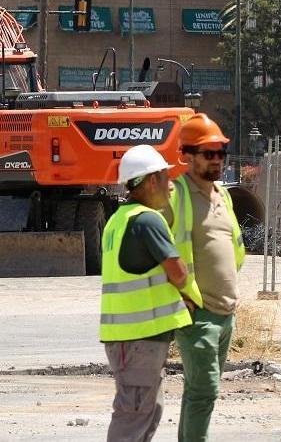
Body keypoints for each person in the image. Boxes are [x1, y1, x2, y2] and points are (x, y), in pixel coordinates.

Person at [102, 144, 193, 442]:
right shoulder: (147, 219)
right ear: (151, 179)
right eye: (166, 178)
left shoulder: (118, 219)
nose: (170, 186)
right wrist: (195, 299)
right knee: (134, 414)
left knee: (147, 410)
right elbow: (177, 271)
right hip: (138, 340)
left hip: (131, 338)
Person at [163, 114, 244, 442]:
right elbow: (155, 247)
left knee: (196, 393)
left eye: (220, 153)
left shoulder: (222, 195)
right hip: (197, 316)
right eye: (208, 153)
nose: (216, 160)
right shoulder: (175, 194)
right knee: (204, 392)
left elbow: (234, 247)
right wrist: (176, 294)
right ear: (187, 155)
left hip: (226, 315)